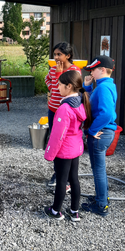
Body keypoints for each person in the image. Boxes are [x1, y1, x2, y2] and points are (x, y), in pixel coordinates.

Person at [43, 71, 92, 222]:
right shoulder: (79, 101)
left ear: (69, 86)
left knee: (62, 181)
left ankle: (56, 211)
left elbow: (58, 135)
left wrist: (50, 154)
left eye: (59, 84)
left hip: (63, 150)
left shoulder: (65, 108)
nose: (57, 87)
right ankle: (74, 211)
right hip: (75, 148)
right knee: (74, 179)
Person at [81, 55, 117, 217]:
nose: (91, 74)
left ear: (102, 70)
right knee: (99, 169)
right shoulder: (105, 85)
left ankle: (102, 205)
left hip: (100, 134)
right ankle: (102, 198)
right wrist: (87, 87)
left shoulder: (102, 87)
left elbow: (107, 113)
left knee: (98, 170)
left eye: (93, 70)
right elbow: (91, 104)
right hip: (104, 133)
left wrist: (92, 130)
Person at [45, 42, 81, 187]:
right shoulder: (53, 69)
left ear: (68, 55)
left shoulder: (74, 71)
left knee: (65, 142)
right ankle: (57, 173)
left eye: (59, 54)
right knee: (55, 141)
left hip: (67, 112)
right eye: (54, 54)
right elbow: (47, 79)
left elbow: (75, 89)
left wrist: (60, 75)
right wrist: (52, 90)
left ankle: (67, 177)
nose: (56, 57)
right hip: (53, 110)